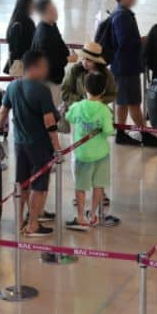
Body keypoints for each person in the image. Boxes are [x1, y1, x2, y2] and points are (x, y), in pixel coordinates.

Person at [0, 50, 61, 237]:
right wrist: (57, 146)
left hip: (20, 143)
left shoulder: (12, 87)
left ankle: (20, 221)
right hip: (40, 145)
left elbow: (2, 111)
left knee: (22, 183)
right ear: (35, 67)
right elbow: (49, 121)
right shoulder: (41, 90)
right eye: (43, 66)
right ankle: (33, 224)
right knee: (39, 185)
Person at [65, 73, 118, 229]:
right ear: (103, 91)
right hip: (101, 153)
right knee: (98, 184)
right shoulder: (104, 110)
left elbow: (69, 117)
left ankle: (80, 216)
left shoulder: (77, 106)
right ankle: (93, 214)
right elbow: (109, 131)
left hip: (81, 154)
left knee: (80, 186)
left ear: (85, 88)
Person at [109, 0, 157, 147]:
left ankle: (121, 132)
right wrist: (141, 41)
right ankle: (144, 132)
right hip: (126, 66)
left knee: (123, 101)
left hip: (120, 65)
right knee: (133, 101)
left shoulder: (119, 13)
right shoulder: (122, 15)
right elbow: (124, 42)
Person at [31, 0, 77, 106]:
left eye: (54, 8)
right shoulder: (44, 35)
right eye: (51, 11)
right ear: (42, 14)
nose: (56, 12)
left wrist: (67, 53)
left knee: (58, 107)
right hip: (48, 81)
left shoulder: (51, 25)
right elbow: (49, 61)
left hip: (55, 77)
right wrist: (68, 59)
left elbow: (60, 42)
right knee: (53, 109)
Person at [61, 41, 118, 106]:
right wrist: (81, 101)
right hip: (76, 109)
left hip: (97, 110)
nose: (84, 62)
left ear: (96, 62)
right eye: (83, 58)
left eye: (89, 60)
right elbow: (65, 92)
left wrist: (100, 100)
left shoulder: (107, 74)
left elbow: (113, 94)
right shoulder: (75, 70)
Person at [5, 0, 37, 76]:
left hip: (15, 64)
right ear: (27, 5)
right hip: (26, 65)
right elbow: (34, 44)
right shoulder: (28, 23)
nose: (35, 7)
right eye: (33, 4)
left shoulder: (14, 19)